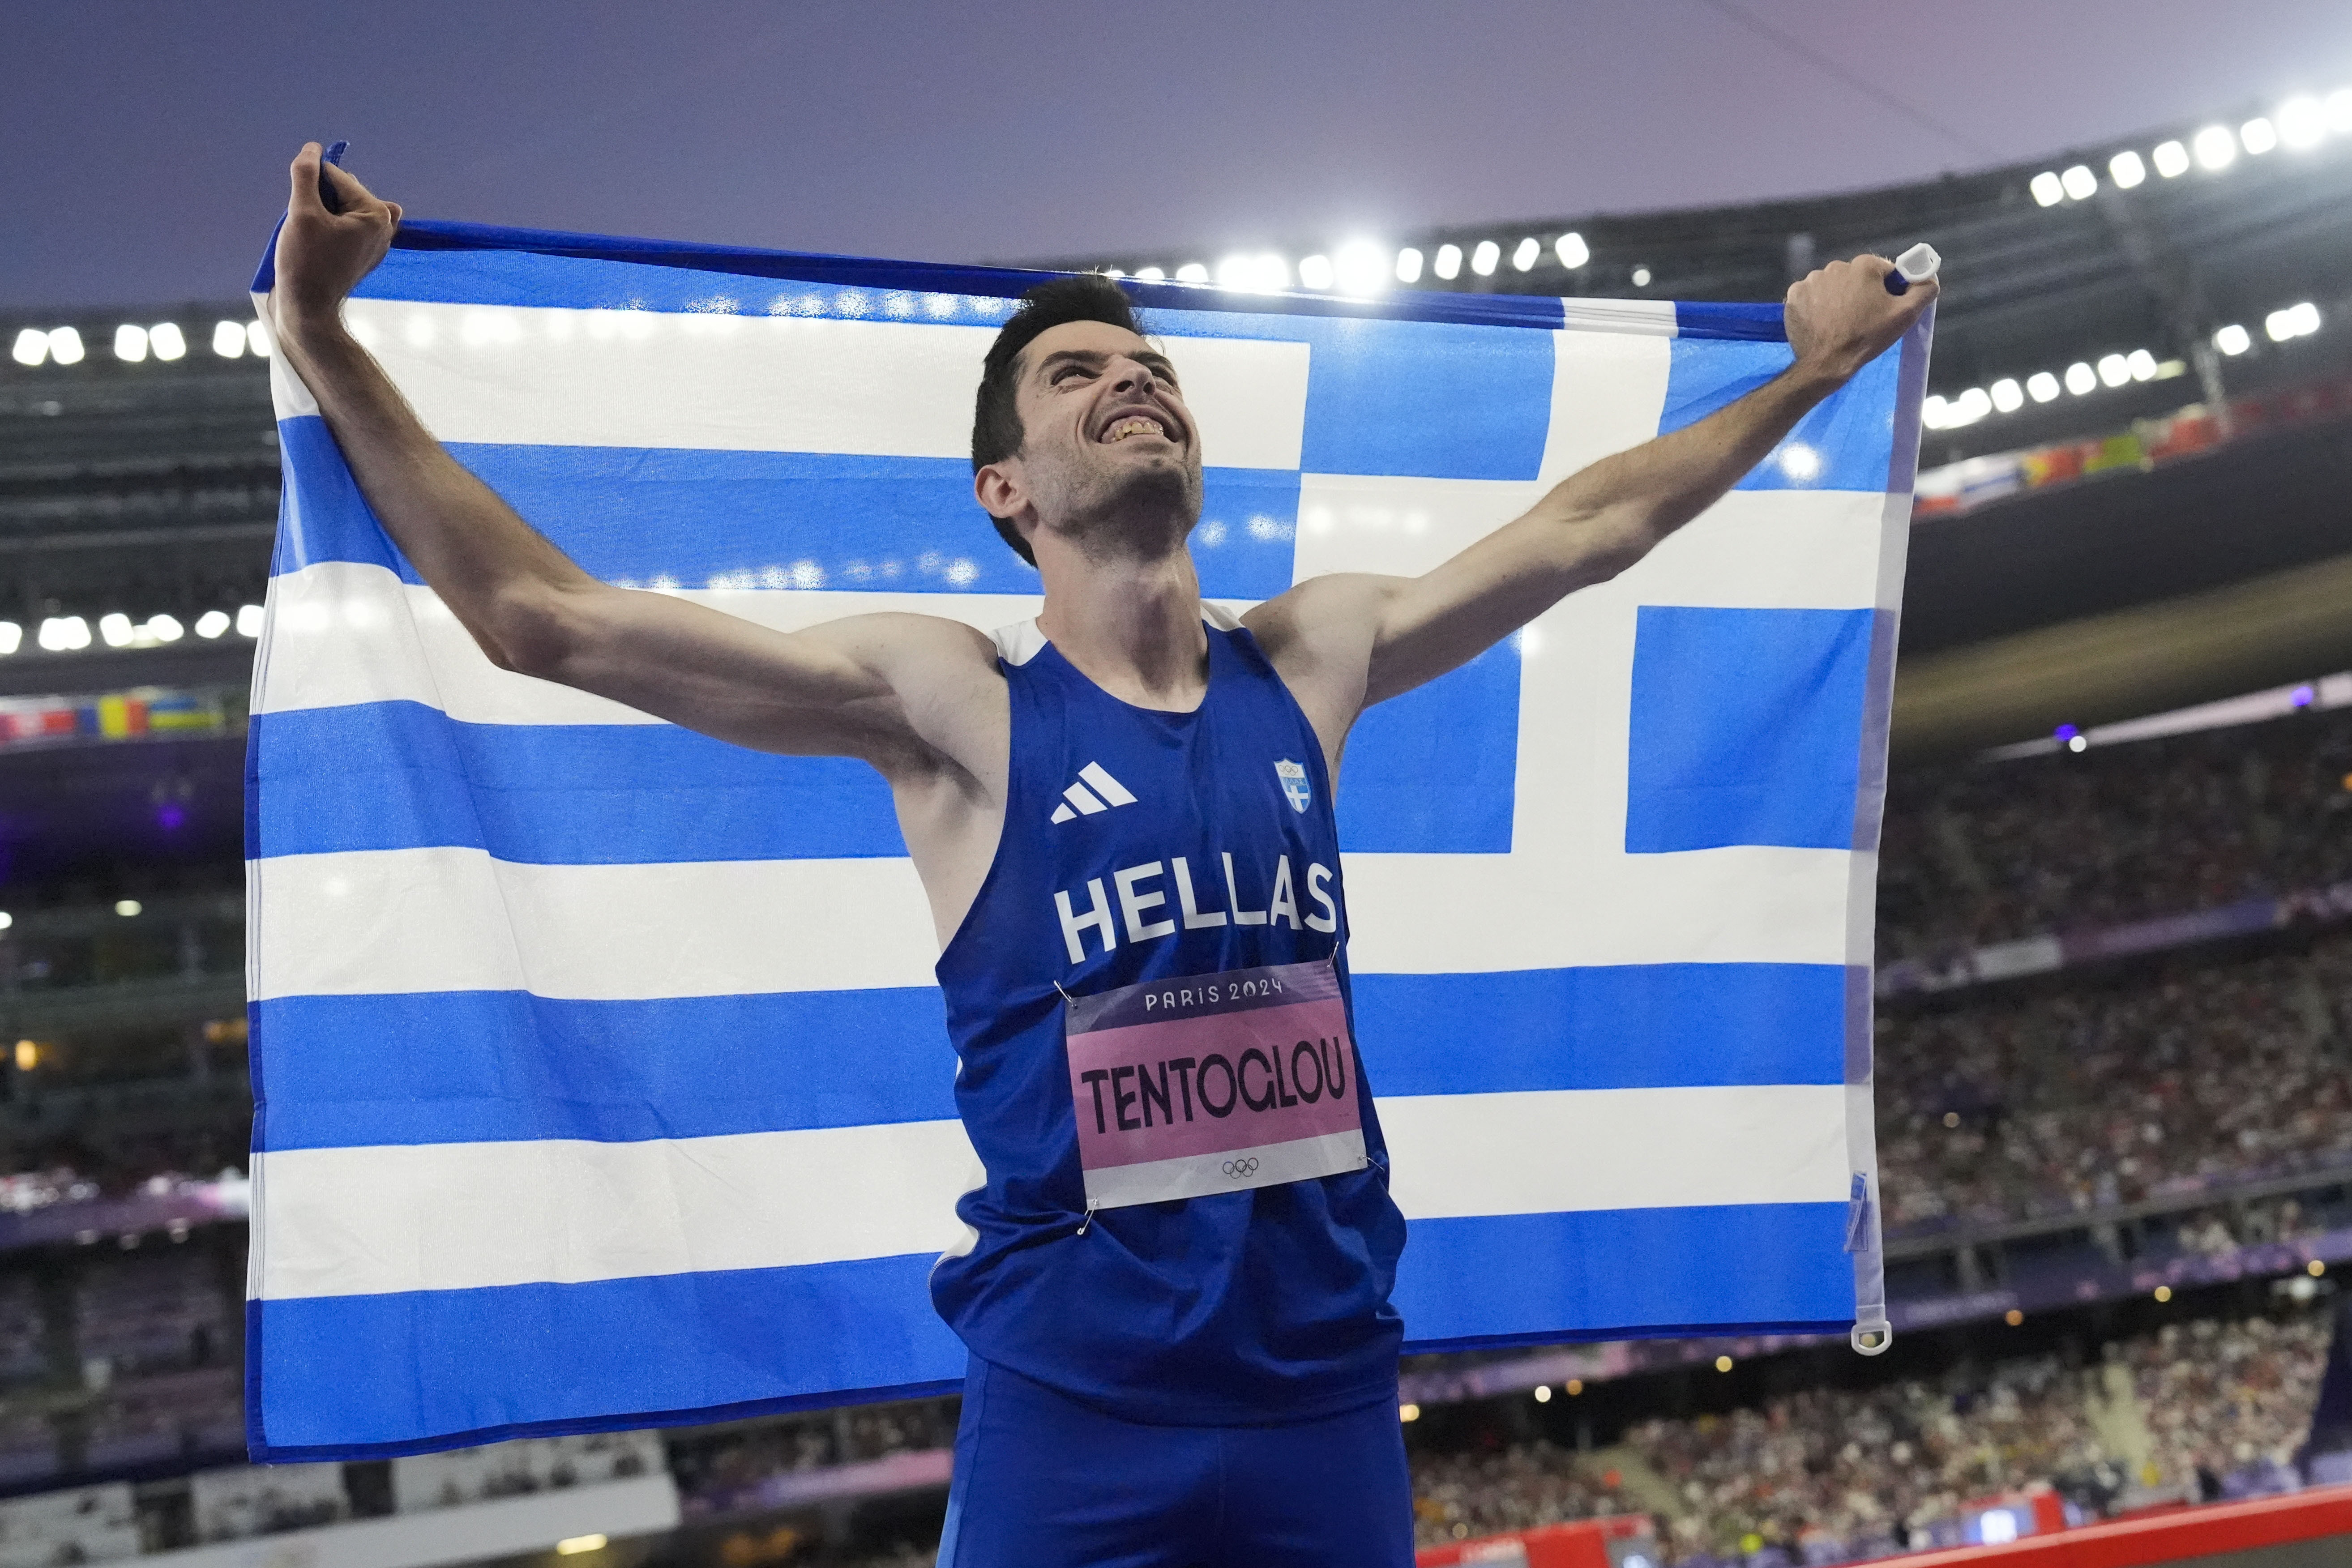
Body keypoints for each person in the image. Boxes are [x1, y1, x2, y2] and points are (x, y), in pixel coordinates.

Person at [268, 141, 1935, 1568]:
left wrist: (1809, 369)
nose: (1133, 380)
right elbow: (543, 623)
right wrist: (323, 331)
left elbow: (1589, 531)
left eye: (1150, 372)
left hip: (1324, 1389)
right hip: (1081, 1405)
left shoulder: (1311, 657)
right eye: (1078, 376)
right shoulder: (953, 707)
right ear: (1007, 486)